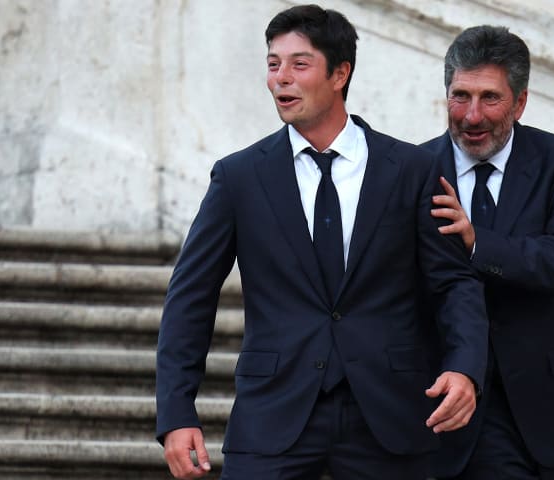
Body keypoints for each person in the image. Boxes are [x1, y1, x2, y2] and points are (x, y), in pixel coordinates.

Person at [155, 6, 487, 480]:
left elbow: (454, 281)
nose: (281, 79)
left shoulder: (411, 170)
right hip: (273, 414)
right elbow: (190, 296)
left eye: (299, 64)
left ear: (340, 73)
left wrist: (465, 367)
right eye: (273, 64)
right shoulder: (239, 177)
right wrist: (176, 411)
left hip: (389, 416)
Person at [423, 26, 554, 480]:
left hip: (551, 405)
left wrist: (478, 243)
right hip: (454, 401)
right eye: (460, 96)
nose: (472, 116)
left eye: (490, 98)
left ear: (520, 102)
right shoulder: (412, 171)